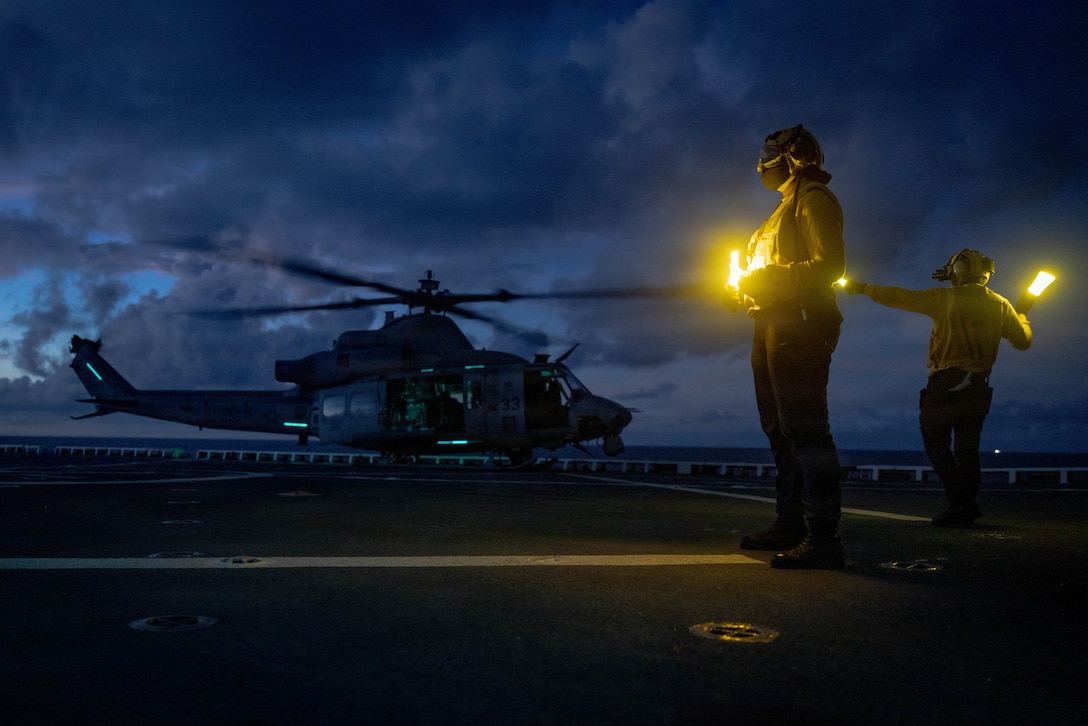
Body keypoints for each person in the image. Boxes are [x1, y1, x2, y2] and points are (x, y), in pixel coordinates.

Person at [729, 124, 847, 569]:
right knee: (778, 428)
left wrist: (770, 281)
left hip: (800, 321)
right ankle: (790, 523)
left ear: (795, 156)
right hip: (771, 320)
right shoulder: (778, 213)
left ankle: (823, 537)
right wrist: (743, 291)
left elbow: (830, 265)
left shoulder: (812, 199)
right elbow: (765, 272)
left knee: (805, 427)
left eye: (770, 152)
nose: (763, 161)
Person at [842, 249, 1032, 526]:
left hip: (947, 381)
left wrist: (863, 288)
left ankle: (961, 504)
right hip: (979, 386)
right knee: (967, 450)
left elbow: (902, 296)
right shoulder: (1001, 304)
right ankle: (964, 507)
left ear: (959, 270)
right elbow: (1023, 340)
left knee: (936, 443)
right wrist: (1023, 313)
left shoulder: (945, 298)